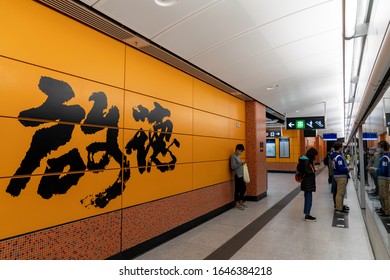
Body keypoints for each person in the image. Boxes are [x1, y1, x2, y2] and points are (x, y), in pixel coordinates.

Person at [369, 141, 390, 217]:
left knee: (385, 195)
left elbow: (383, 170)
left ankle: (387, 211)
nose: (378, 149)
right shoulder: (385, 156)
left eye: (379, 147)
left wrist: (374, 169)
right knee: (382, 195)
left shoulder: (385, 158)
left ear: (382, 148)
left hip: (384, 179)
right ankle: (384, 209)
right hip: (383, 178)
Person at [297, 147, 318, 221]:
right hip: (307, 182)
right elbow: (307, 172)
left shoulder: (304, 160)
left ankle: (307, 213)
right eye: (315, 155)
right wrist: (314, 170)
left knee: (308, 197)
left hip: (307, 182)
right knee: (309, 198)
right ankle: (307, 214)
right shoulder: (306, 161)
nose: (315, 157)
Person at [331, 142, 351, 213]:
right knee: (340, 193)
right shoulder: (338, 157)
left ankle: (340, 205)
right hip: (341, 176)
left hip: (336, 175)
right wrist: (348, 168)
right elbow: (341, 168)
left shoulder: (333, 155)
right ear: (339, 148)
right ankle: (339, 208)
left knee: (339, 192)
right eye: (341, 147)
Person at [230, 144, 247, 210]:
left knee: (244, 188)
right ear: (237, 149)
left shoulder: (237, 156)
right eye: (240, 151)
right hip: (237, 175)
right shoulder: (233, 156)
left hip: (241, 175)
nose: (241, 152)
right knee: (238, 189)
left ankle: (240, 201)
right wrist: (240, 163)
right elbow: (233, 166)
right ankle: (237, 203)